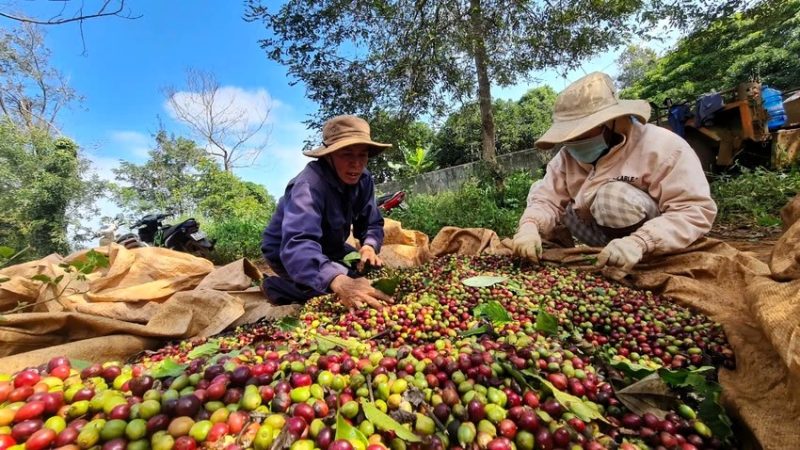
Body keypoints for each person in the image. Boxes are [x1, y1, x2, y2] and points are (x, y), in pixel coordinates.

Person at [513, 72, 717, 270]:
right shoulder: (567, 157)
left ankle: (641, 261)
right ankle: (580, 257)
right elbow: (546, 199)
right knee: (539, 191)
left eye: (581, 132)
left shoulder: (664, 147)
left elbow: (693, 210)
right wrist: (529, 226)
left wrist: (640, 242)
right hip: (600, 235)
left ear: (610, 122)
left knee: (611, 197)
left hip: (654, 238)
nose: (573, 142)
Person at [261, 115, 392, 309]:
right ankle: (277, 287)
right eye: (347, 154)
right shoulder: (308, 186)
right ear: (329, 155)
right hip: (287, 251)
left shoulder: (363, 179)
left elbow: (371, 222)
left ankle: (332, 272)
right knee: (334, 288)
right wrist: (338, 281)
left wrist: (369, 247)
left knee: (365, 275)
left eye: (362, 155)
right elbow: (299, 244)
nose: (356, 164)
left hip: (330, 246)